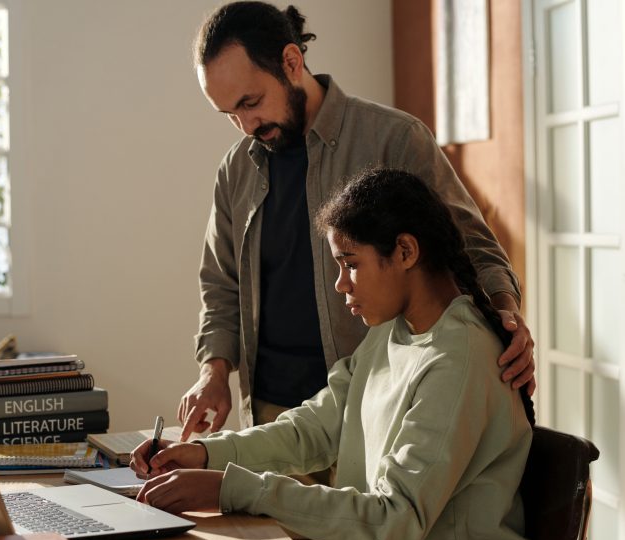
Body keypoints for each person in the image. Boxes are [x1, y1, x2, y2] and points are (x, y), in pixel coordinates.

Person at [135, 169, 536, 540]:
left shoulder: (458, 358)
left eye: (350, 264)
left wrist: (232, 488)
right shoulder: (392, 332)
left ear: (405, 252)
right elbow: (315, 429)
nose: (341, 285)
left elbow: (394, 519)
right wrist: (206, 455)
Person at [177, 1, 536, 442]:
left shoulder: (394, 139)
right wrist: (213, 372)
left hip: (379, 412)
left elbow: (473, 248)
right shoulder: (235, 170)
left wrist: (506, 314)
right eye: (229, 114)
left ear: (292, 62)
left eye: (251, 102)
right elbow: (221, 285)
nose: (245, 124)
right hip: (272, 418)